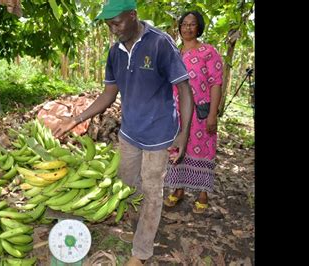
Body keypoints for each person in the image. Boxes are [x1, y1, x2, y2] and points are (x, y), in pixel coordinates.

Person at [53, 0, 194, 265]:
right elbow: (109, 93)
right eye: (109, 25)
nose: (113, 30)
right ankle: (135, 229)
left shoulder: (160, 43)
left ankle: (141, 253)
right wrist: (75, 119)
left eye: (117, 23)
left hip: (158, 135)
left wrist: (184, 133)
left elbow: (185, 89)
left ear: (133, 15)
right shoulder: (115, 51)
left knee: (152, 191)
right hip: (129, 132)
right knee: (126, 186)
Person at [163, 11, 223, 214]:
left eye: (192, 24)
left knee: (202, 149)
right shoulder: (175, 53)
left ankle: (202, 194)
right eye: (184, 24)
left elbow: (216, 83)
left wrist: (213, 114)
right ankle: (178, 189)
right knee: (179, 149)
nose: (187, 28)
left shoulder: (208, 51)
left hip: (200, 112)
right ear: (179, 27)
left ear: (199, 28)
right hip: (176, 114)